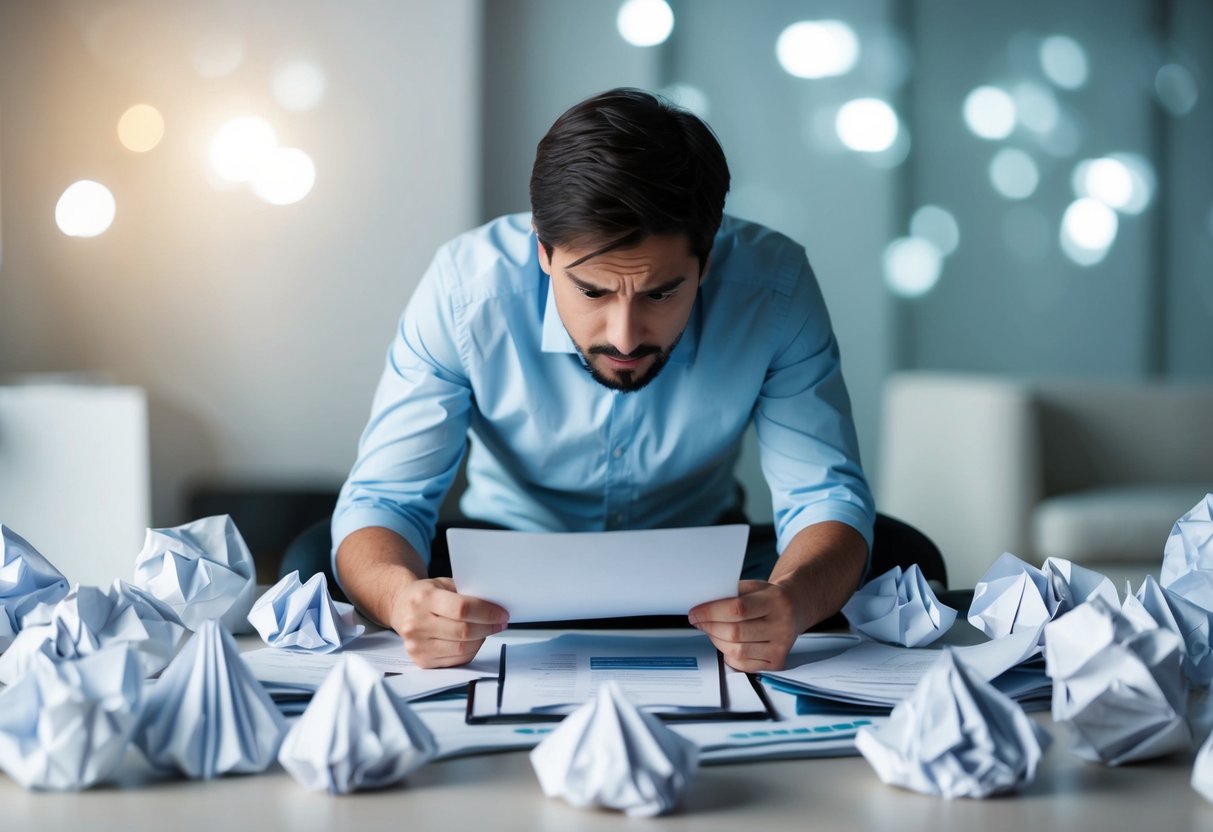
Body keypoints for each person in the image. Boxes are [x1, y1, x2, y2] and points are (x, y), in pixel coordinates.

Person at [332, 88, 877, 673]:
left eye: (661, 292)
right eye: (592, 290)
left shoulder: (776, 286)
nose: (623, 337)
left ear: (707, 259)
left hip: (705, 562)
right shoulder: (465, 291)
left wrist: (791, 602)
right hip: (505, 555)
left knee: (883, 554)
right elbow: (384, 499)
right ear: (543, 252)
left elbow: (825, 497)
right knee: (330, 558)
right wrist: (402, 599)